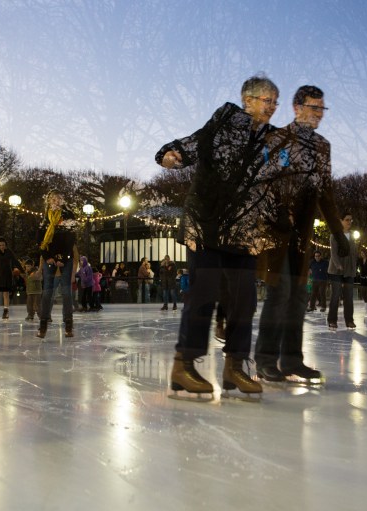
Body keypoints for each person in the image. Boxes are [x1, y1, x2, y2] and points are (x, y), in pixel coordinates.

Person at [156, 74, 280, 399]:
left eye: (275, 102)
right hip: (208, 225)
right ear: (248, 100)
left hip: (244, 230)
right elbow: (195, 142)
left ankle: (235, 367)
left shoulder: (273, 140)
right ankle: (183, 366)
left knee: (243, 301)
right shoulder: (226, 120)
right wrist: (172, 153)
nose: (272, 107)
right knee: (204, 294)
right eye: (267, 100)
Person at [254, 85, 349, 383]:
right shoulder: (278, 138)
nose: (319, 114)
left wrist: (338, 233)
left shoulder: (323, 146)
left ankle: (292, 360)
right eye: (313, 107)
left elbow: (325, 192)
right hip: (275, 231)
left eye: (322, 108)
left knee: (297, 297)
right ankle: (266, 360)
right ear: (296, 108)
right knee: (279, 293)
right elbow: (265, 182)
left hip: (302, 233)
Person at [36, 190, 79, 338]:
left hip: (65, 259)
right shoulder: (45, 219)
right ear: (48, 201)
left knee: (67, 293)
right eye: (52, 198)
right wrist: (48, 257)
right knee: (47, 292)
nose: (55, 201)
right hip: (50, 259)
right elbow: (40, 241)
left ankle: (68, 324)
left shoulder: (69, 216)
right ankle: (43, 324)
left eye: (58, 198)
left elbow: (71, 240)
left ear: (62, 200)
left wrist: (64, 258)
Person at [327, 213, 358, 329]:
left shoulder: (352, 236)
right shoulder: (335, 235)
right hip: (336, 271)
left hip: (349, 271)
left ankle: (349, 320)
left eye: (351, 220)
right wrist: (338, 265)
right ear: (341, 221)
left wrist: (354, 268)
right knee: (335, 296)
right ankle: (332, 320)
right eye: (347, 220)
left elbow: (354, 253)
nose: (349, 222)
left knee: (349, 297)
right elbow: (333, 253)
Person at [0, 237, 23, 319]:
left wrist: (22, 270)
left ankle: (6, 311)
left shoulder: (9, 252)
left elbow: (15, 261)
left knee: (6, 294)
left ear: (5, 245)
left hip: (7, 275)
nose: (1, 246)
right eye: (0, 245)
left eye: (3, 245)